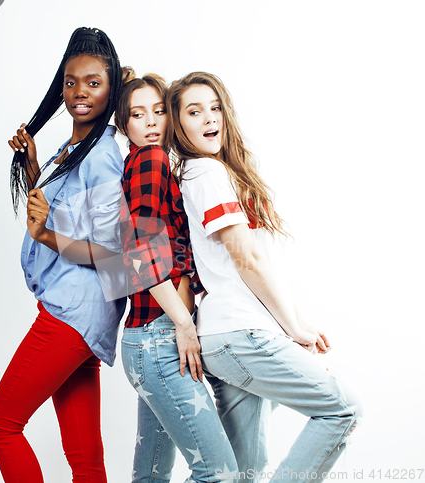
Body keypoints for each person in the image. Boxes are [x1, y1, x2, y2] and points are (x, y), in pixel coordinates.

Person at [167, 72, 362, 483]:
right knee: (342, 409)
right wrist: (293, 327)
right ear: (178, 125)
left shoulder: (209, 174)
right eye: (193, 111)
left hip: (227, 337)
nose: (208, 118)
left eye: (214, 107)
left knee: (240, 473)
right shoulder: (205, 173)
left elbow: (253, 262)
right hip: (241, 333)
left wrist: (290, 321)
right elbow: (247, 258)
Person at [0, 27, 126, 483]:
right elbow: (61, 208)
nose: (79, 92)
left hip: (72, 312)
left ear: (112, 87)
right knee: (85, 462)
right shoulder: (75, 147)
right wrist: (32, 164)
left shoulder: (102, 155)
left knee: (0, 426)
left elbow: (111, 256)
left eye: (94, 82)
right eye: (70, 81)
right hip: (82, 314)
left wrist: (45, 238)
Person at [116, 68, 238, 482]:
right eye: (137, 114)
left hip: (149, 339)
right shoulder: (150, 161)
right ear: (123, 124)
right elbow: (139, 251)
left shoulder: (151, 165)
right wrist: (184, 324)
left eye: (157, 111)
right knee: (218, 473)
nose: (150, 122)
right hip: (159, 337)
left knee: (150, 476)